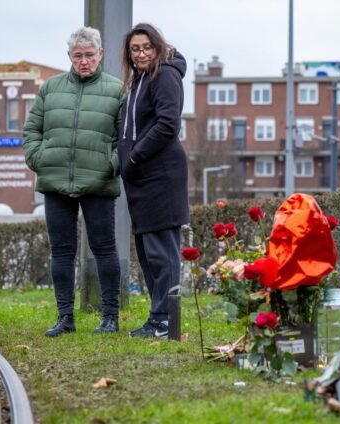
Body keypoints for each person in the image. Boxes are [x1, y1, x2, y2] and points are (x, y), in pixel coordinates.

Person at [23, 27, 124, 337]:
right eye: (78, 56)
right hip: (55, 181)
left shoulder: (117, 91)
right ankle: (65, 317)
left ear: (100, 55)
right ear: (69, 56)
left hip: (98, 182)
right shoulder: (50, 89)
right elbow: (31, 131)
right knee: (61, 252)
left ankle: (110, 317)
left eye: (89, 56)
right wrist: (39, 160)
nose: (84, 62)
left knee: (105, 249)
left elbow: (125, 140)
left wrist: (111, 165)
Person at [118, 23, 189, 338]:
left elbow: (167, 124)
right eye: (135, 49)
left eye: (146, 46)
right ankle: (158, 317)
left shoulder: (164, 75)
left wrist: (133, 157)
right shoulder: (139, 80)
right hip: (141, 180)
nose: (141, 53)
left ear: (157, 47)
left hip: (160, 176)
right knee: (150, 254)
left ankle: (166, 323)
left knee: (163, 253)